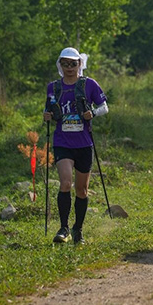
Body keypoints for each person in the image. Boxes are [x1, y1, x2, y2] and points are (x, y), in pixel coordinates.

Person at [43, 47, 109, 244]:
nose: (69, 67)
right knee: (65, 183)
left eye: (73, 63)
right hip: (62, 141)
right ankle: (63, 228)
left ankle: (77, 229)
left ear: (80, 64)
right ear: (60, 65)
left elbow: (104, 107)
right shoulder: (53, 87)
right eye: (65, 63)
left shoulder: (89, 84)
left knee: (82, 190)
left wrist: (92, 114)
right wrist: (46, 116)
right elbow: (49, 110)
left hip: (84, 143)